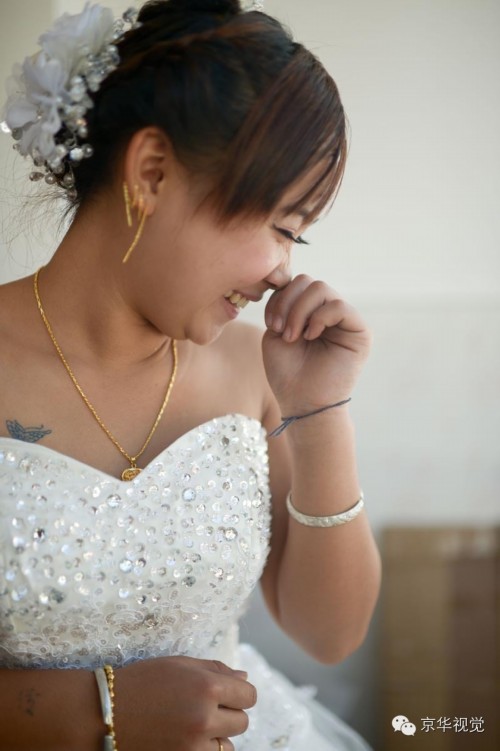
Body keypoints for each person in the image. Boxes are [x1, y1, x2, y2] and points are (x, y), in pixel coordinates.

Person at [0, 1, 381, 749]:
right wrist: (100, 712)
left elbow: (331, 633)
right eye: (281, 226)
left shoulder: (253, 366)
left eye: (299, 239)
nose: (282, 272)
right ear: (152, 173)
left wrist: (320, 410)